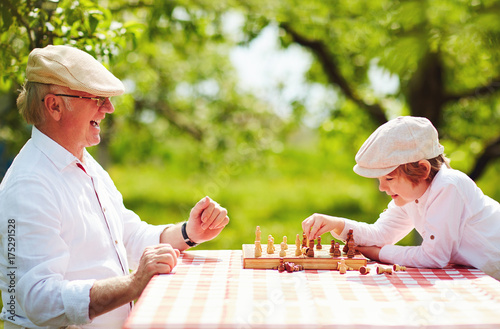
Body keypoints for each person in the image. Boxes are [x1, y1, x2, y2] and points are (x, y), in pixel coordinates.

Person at [0, 45, 230, 329]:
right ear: (54, 105)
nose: (108, 108)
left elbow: (129, 237)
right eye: (96, 98)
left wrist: (188, 232)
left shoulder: (83, 163)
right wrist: (133, 283)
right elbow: (38, 301)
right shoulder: (29, 185)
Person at [302, 116, 500, 280]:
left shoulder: (448, 186)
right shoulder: (411, 194)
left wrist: (379, 254)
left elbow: (434, 257)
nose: (382, 187)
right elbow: (381, 234)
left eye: (389, 177)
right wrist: (337, 224)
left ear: (422, 170)